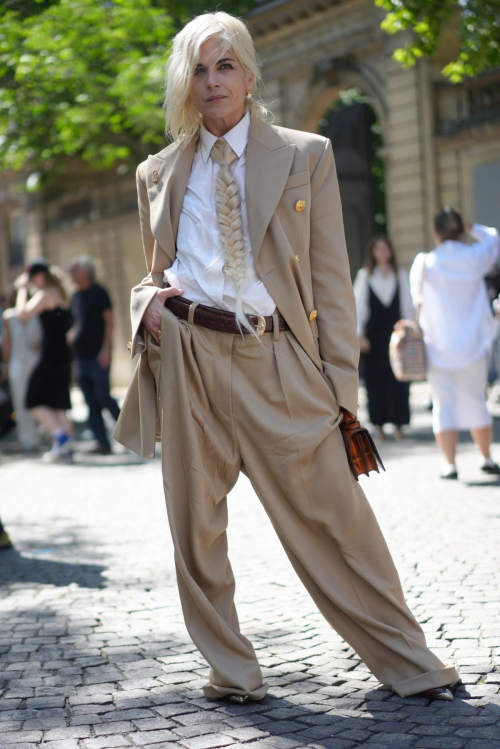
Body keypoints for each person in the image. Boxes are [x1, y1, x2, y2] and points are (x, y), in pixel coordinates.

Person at [114, 12, 459, 703]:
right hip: (188, 355)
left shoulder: (307, 155)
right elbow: (158, 270)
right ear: (185, 81)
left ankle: (411, 661)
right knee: (195, 527)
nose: (213, 82)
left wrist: (341, 391)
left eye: (225, 66)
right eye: (199, 69)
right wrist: (144, 305)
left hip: (279, 360)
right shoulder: (157, 171)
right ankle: (232, 672)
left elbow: (331, 278)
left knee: (339, 517)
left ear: (248, 74)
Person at [410, 208, 500, 480]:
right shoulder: (474, 257)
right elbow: (495, 238)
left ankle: (449, 464)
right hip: (472, 344)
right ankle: (485, 457)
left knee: (443, 404)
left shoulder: (425, 262)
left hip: (436, 346)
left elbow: (415, 302)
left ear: (435, 232)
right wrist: (474, 227)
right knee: (476, 400)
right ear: (460, 230)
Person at [354, 236, 414, 439]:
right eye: (377, 248)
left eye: (385, 248)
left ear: (390, 251)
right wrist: (359, 334)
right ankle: (378, 425)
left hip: (396, 335)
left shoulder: (400, 275)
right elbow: (359, 307)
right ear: (372, 252)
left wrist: (408, 328)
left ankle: (399, 424)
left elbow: (407, 304)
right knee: (375, 381)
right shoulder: (365, 276)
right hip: (374, 337)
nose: (382, 252)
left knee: (399, 380)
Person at [16, 259, 73, 461]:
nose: (31, 283)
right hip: (63, 353)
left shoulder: (46, 293)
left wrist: (22, 290)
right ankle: (65, 447)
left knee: (33, 399)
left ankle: (61, 438)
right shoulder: (61, 293)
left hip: (51, 354)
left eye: (32, 279)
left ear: (40, 277)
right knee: (57, 402)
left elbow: (21, 314)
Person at [68, 255, 120, 455]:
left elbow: (109, 322)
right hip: (81, 357)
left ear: (86, 271)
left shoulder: (99, 292)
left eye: (74, 268)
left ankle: (133, 433)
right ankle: (102, 443)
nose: (70, 272)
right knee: (90, 401)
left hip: (99, 354)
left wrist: (106, 349)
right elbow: (77, 323)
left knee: (103, 396)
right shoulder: (75, 297)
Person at [1, 286, 42, 452]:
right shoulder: (36, 313)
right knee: (38, 400)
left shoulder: (8, 316)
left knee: (21, 402)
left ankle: (28, 438)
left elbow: (7, 345)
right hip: (35, 361)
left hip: (17, 363)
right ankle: (40, 434)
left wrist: (5, 364)